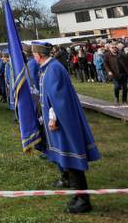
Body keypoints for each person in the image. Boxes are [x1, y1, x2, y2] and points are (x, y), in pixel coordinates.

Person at [32, 42, 100, 214]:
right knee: (68, 160)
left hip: (63, 122)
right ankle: (78, 196)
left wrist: (53, 118)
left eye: (34, 54)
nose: (33, 57)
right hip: (59, 122)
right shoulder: (48, 67)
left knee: (72, 158)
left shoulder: (53, 69)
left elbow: (58, 98)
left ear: (39, 55)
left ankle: (84, 201)